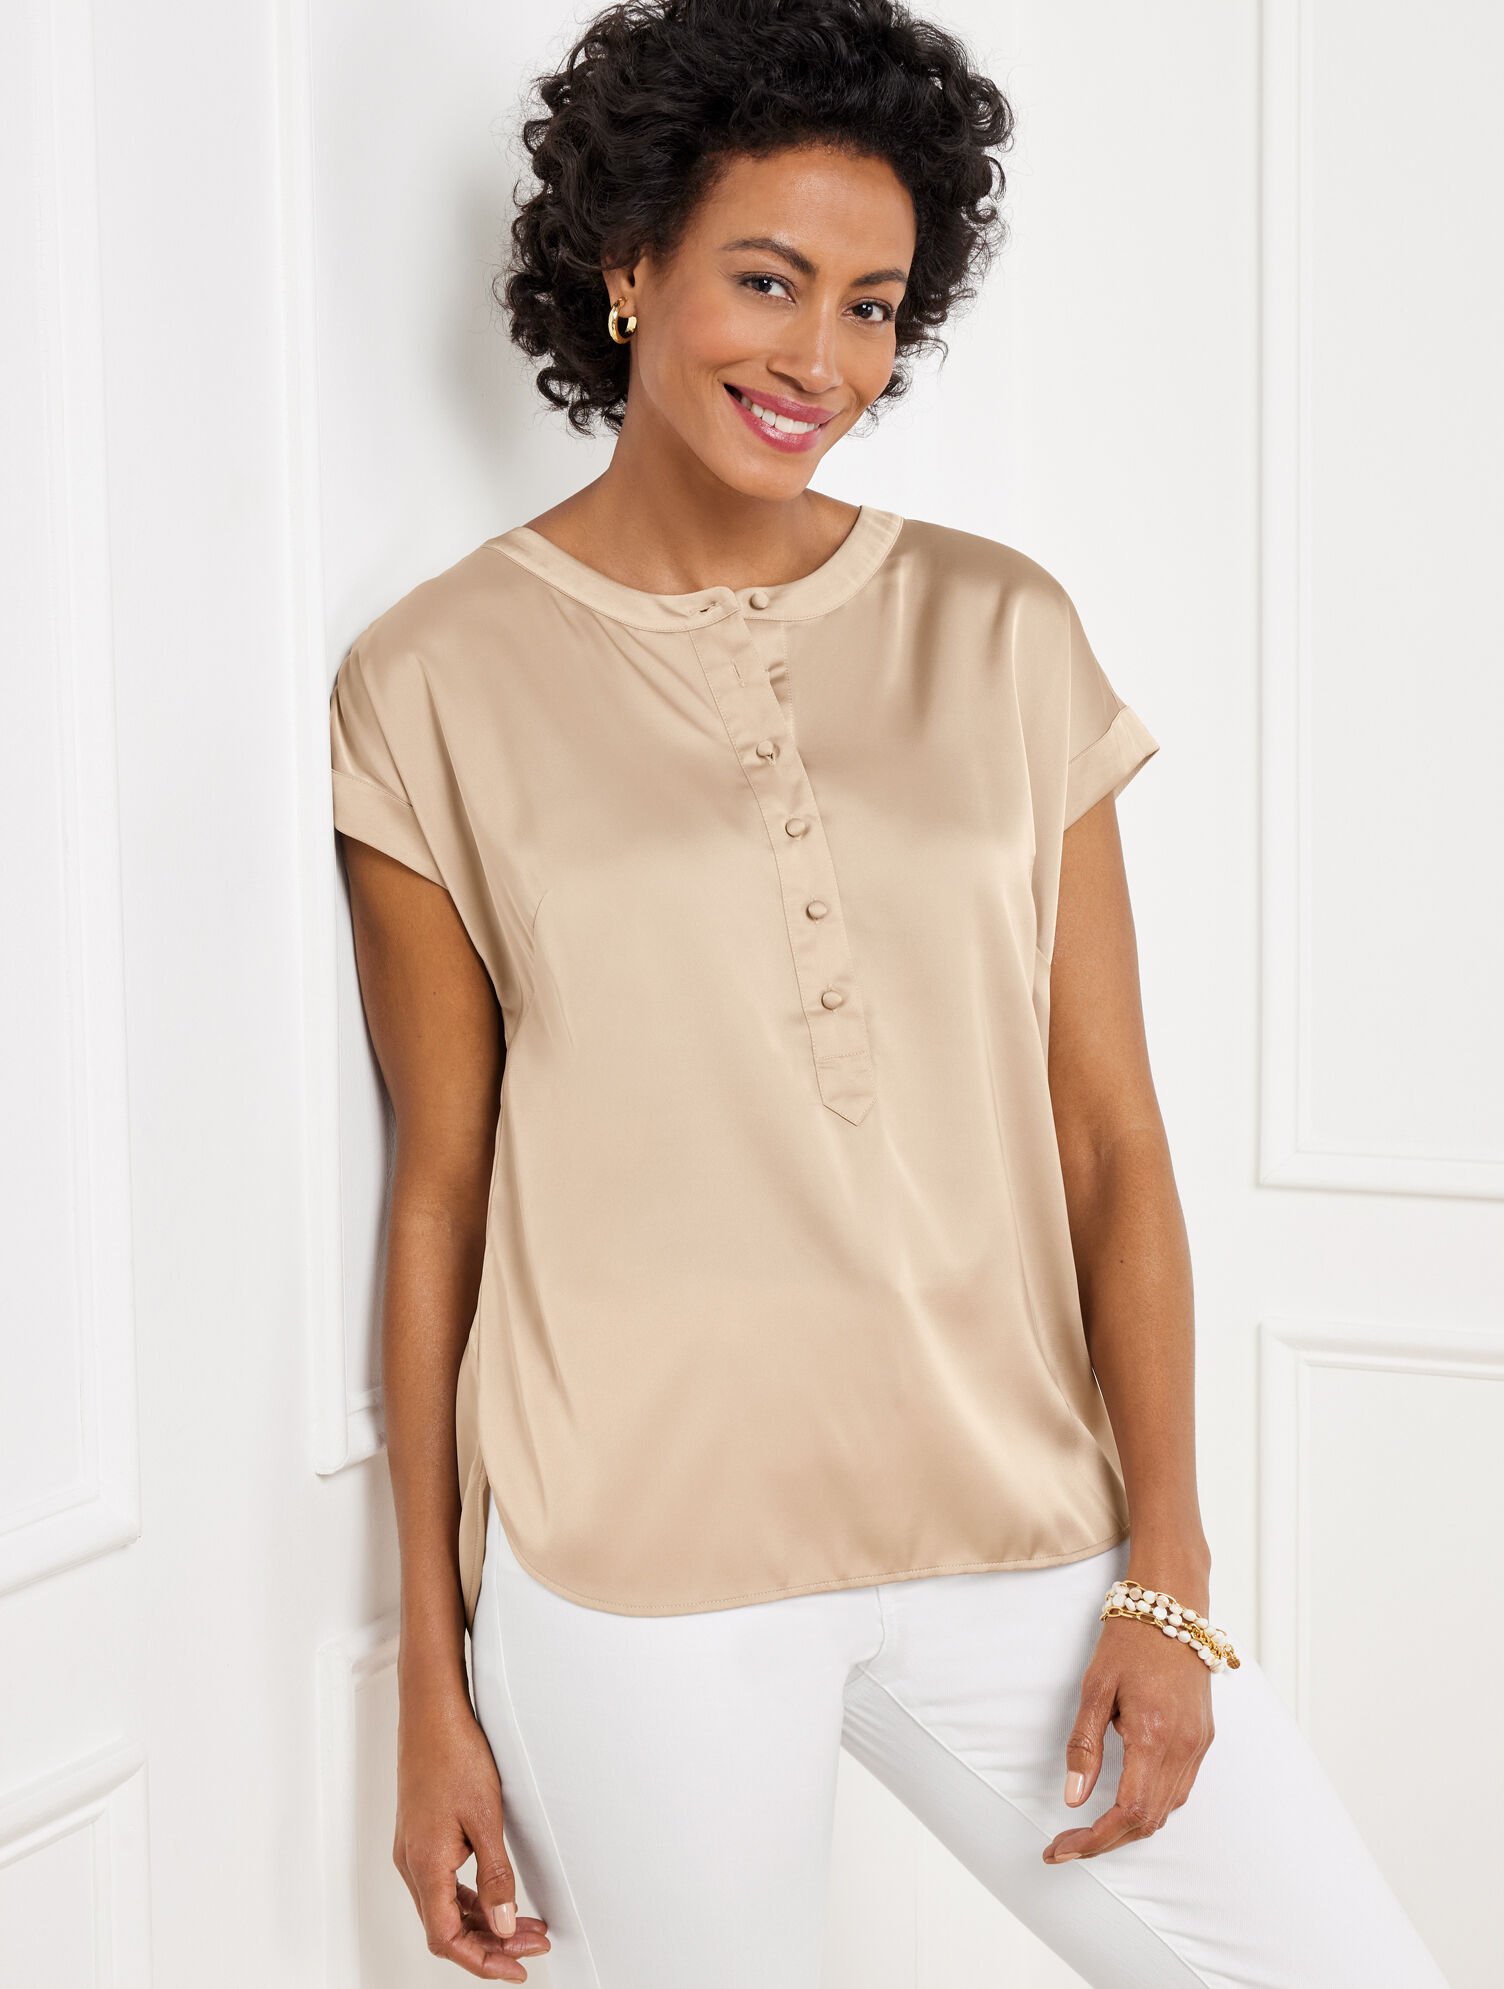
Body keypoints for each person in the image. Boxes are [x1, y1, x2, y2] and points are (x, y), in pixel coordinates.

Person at [328, 2, 1453, 1983]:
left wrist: (1169, 1566)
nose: (822, 361)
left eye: (872, 306)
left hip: (1019, 1523)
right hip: (634, 1562)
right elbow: (441, 1187)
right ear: (628, 262)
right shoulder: (429, 677)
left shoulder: (1000, 628)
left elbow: (1110, 1134)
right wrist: (437, 1673)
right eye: (768, 281)